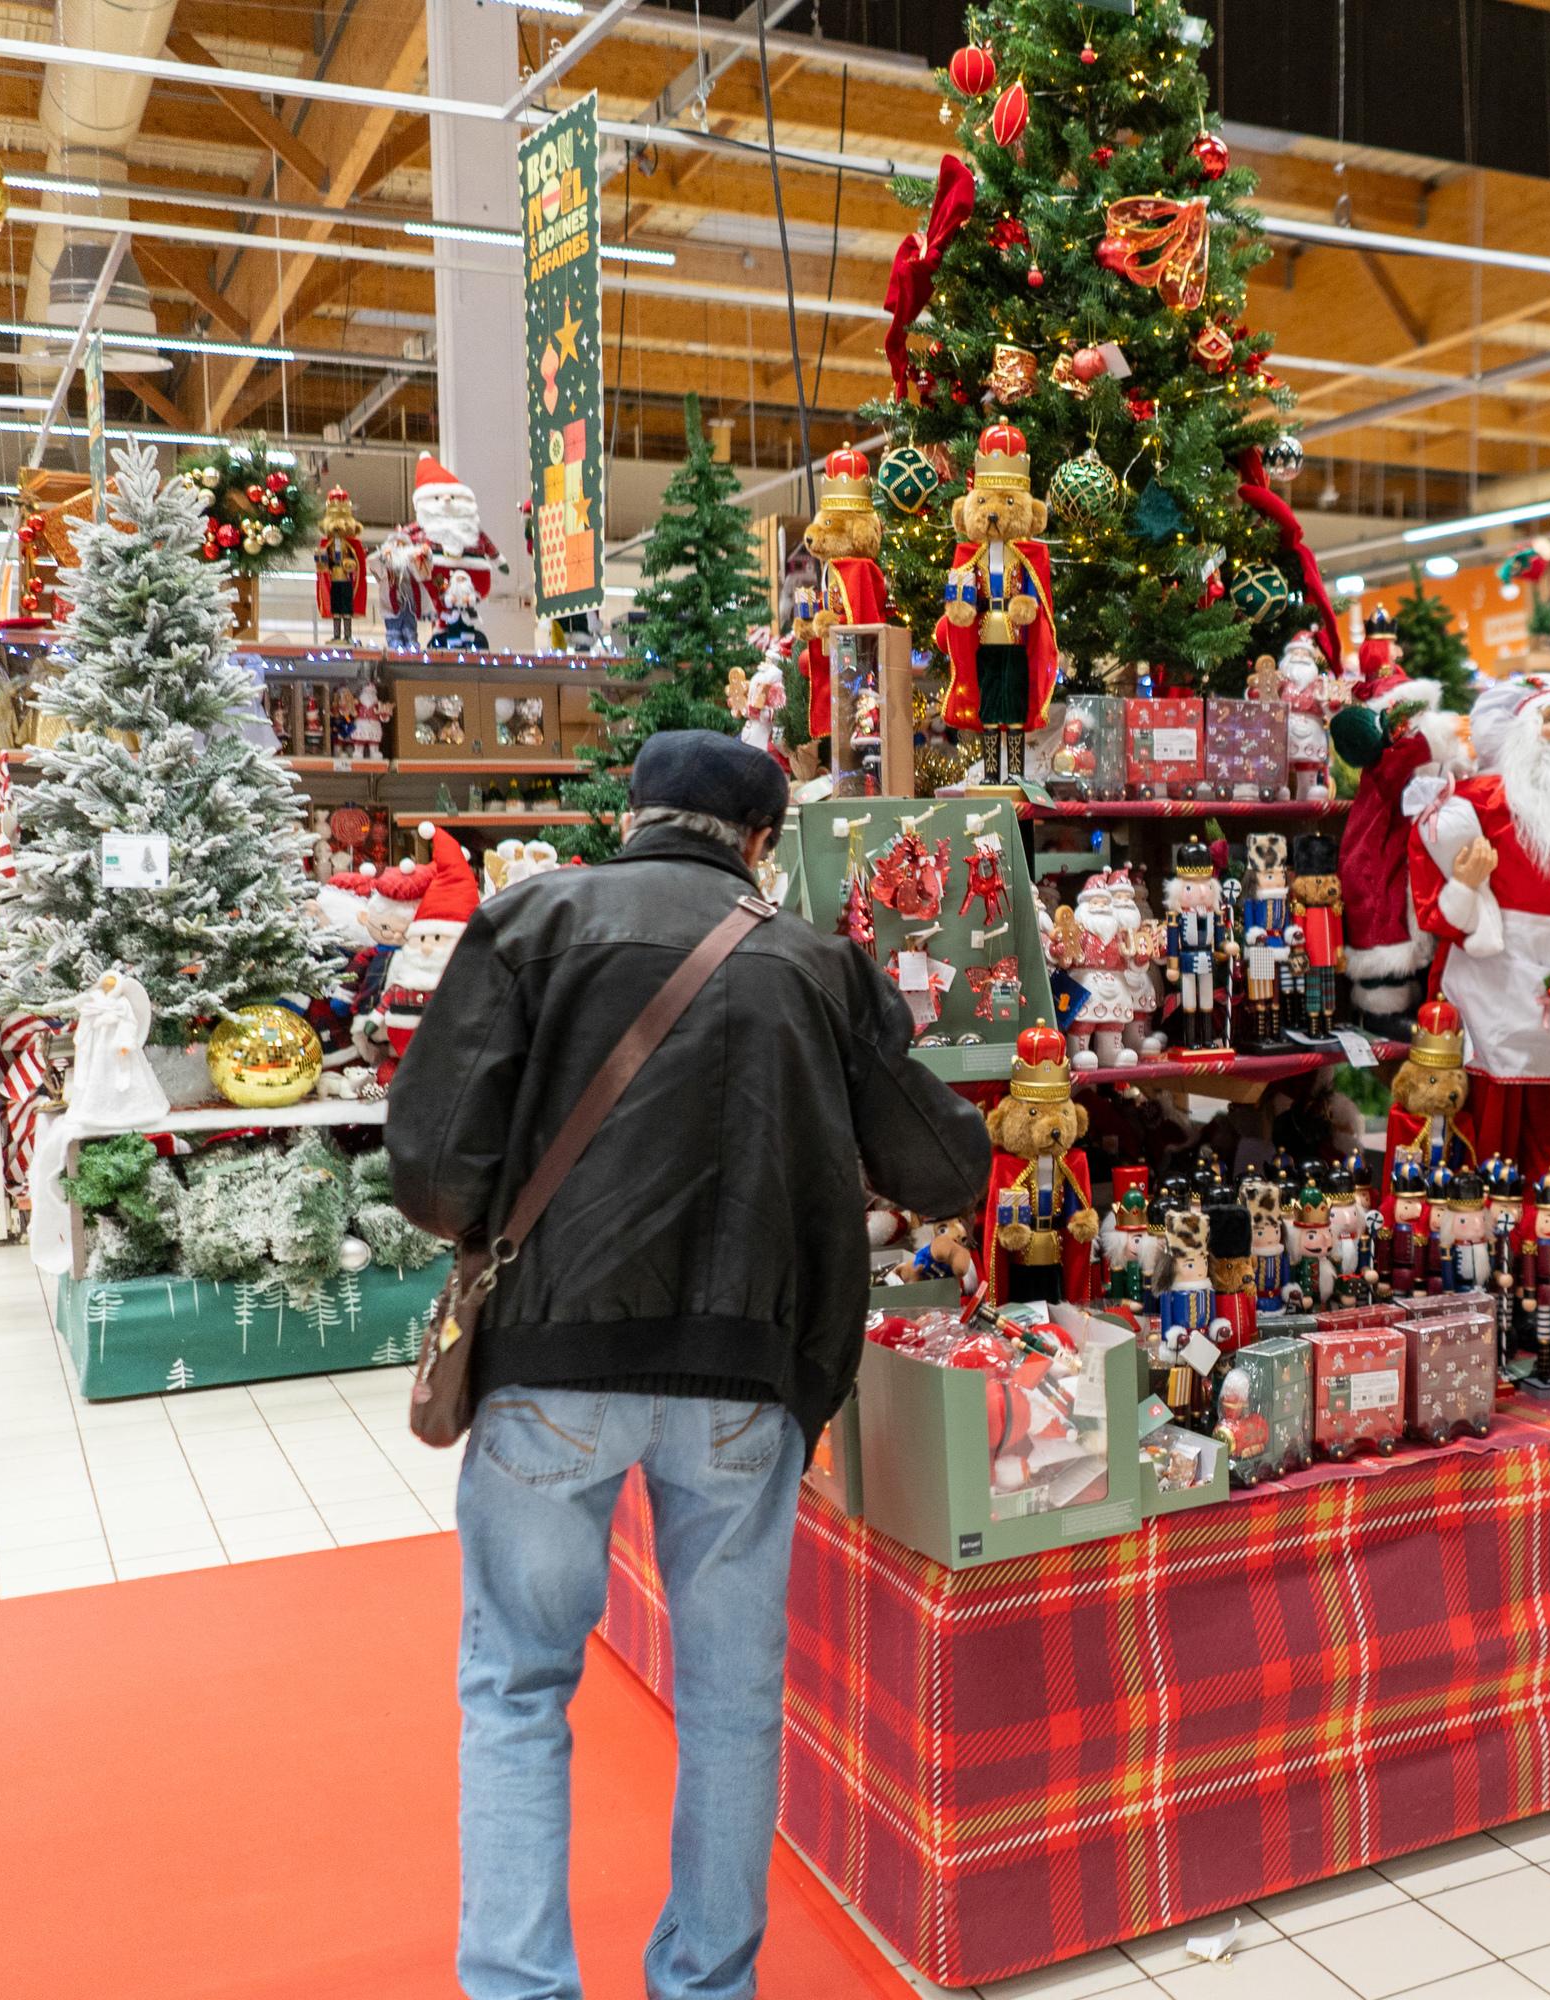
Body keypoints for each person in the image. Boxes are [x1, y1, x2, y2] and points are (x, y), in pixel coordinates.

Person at [387, 731, 989, 2000]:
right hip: (746, 1375)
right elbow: (943, 1167)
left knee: (516, 1686)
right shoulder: (814, 961)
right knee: (731, 1703)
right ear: (762, 842)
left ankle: (519, 1983)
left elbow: (432, 1173)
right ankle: (706, 1983)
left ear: (636, 813)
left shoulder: (531, 922)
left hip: (551, 1364)